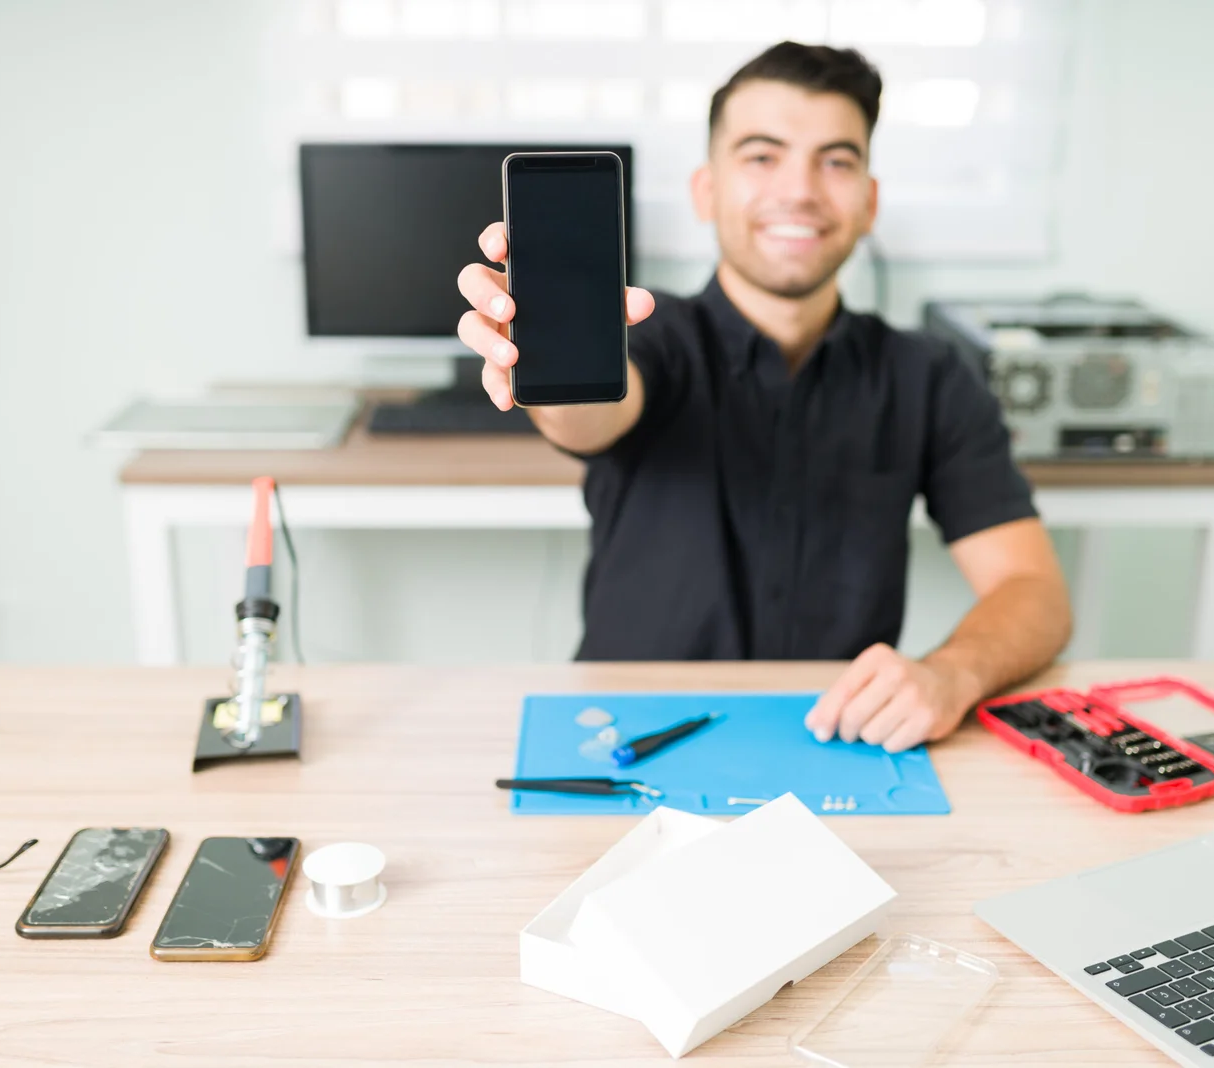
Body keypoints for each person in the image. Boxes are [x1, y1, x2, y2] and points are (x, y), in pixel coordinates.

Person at [455, 41, 1072, 753]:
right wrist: (541, 354)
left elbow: (1035, 591)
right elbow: (586, 418)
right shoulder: (652, 341)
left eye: (836, 161)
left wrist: (950, 675)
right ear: (706, 191)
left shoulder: (927, 376)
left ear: (869, 202)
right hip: (623, 739)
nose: (801, 190)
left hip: (838, 743)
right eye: (761, 155)